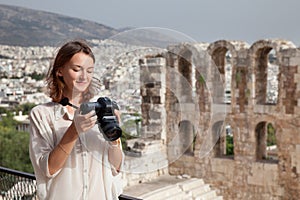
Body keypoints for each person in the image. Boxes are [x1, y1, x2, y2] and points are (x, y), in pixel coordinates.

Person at [29, 39, 123, 200]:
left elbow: (116, 167)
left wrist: (114, 138)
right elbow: (48, 169)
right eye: (77, 69)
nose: (84, 77)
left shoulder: (101, 109)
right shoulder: (41, 114)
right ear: (60, 71)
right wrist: (73, 131)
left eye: (90, 71)